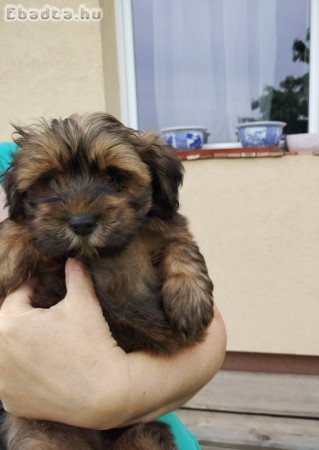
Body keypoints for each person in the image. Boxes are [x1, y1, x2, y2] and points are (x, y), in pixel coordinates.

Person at [0, 142, 226, 449]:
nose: (79, 211)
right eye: (51, 183)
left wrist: (119, 395)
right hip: (42, 428)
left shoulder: (160, 232)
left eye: (114, 179)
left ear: (158, 180)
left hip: (141, 424)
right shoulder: (21, 221)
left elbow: (205, 330)